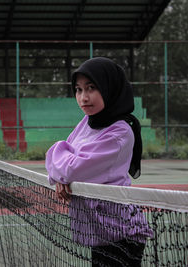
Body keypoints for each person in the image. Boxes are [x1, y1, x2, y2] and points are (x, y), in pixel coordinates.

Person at [45, 57, 153, 266]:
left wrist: (63, 172)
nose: (83, 97)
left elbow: (71, 167)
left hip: (121, 232)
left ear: (109, 87)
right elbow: (63, 161)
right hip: (100, 229)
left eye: (91, 88)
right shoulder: (88, 121)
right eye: (78, 89)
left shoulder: (119, 132)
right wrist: (61, 177)